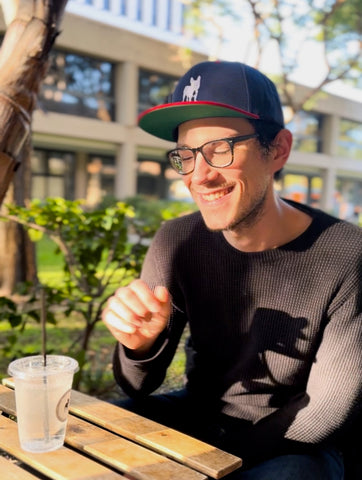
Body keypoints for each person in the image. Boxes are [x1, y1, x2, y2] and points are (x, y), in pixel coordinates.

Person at [102, 60, 362, 479]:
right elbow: (138, 386)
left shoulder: (347, 254)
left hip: (293, 441)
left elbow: (326, 412)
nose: (199, 175)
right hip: (199, 416)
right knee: (98, 434)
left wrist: (210, 466)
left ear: (277, 149)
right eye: (185, 155)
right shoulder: (177, 241)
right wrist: (139, 346)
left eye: (220, 149)